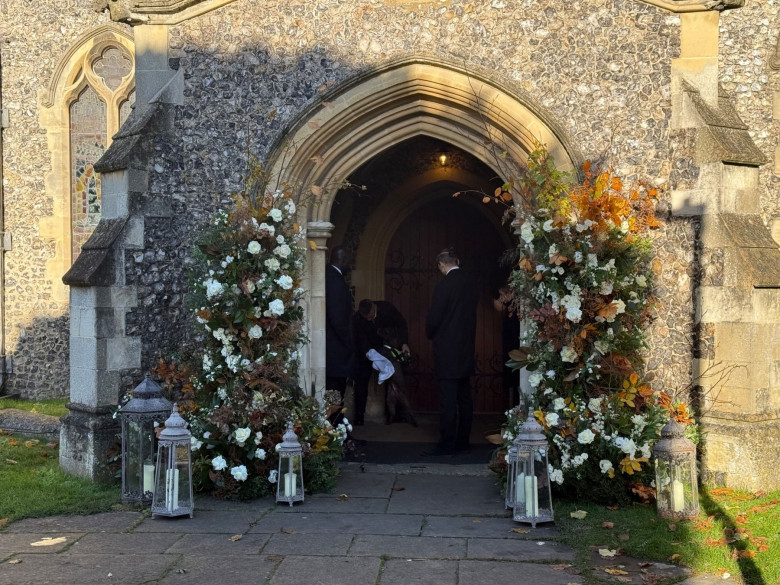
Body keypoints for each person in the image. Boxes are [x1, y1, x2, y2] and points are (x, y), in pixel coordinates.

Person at [424, 248, 479, 456]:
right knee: (464, 397)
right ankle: (463, 440)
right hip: (466, 348)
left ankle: (447, 444)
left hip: (447, 350)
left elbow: (434, 317)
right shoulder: (470, 283)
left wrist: (430, 333)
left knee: (448, 399)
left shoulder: (444, 286)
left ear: (441, 265)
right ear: (458, 260)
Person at [353, 299, 412, 425]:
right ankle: (359, 415)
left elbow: (401, 323)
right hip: (367, 352)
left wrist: (404, 343)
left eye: (371, 316)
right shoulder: (357, 318)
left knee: (396, 381)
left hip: (387, 348)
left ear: (374, 307)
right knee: (361, 382)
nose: (369, 320)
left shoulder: (386, 308)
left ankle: (399, 415)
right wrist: (368, 353)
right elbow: (357, 338)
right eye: (366, 318)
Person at [325, 246, 355, 403]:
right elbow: (337, 317)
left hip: (335, 348)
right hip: (336, 349)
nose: (350, 265)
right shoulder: (334, 281)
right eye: (349, 261)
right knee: (335, 394)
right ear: (342, 260)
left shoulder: (331, 277)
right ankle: (335, 425)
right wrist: (348, 340)